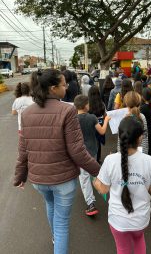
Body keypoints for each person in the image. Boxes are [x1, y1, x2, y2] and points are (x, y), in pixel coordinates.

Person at [13, 69, 100, 254]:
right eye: (63, 84)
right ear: (53, 88)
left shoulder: (27, 113)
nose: (67, 86)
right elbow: (77, 151)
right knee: (62, 224)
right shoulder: (67, 110)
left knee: (50, 205)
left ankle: (54, 238)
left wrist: (20, 175)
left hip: (39, 181)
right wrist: (99, 171)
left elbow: (23, 148)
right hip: (63, 181)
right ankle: (57, 239)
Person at [93, 117, 151, 254]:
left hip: (118, 220)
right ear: (140, 138)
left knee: (122, 248)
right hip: (141, 219)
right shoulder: (149, 161)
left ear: (120, 136)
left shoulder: (110, 160)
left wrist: (95, 182)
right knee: (139, 240)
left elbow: (103, 188)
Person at [74, 95, 110, 216]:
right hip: (93, 149)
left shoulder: (73, 119)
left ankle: (91, 203)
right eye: (88, 104)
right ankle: (103, 190)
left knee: (84, 177)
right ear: (85, 105)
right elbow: (102, 131)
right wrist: (106, 121)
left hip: (80, 152)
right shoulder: (92, 117)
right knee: (95, 171)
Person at [88, 85, 107, 164]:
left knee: (90, 141)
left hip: (90, 125)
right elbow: (105, 114)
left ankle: (91, 158)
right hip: (100, 125)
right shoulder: (101, 103)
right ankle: (98, 159)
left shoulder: (88, 103)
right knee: (98, 142)